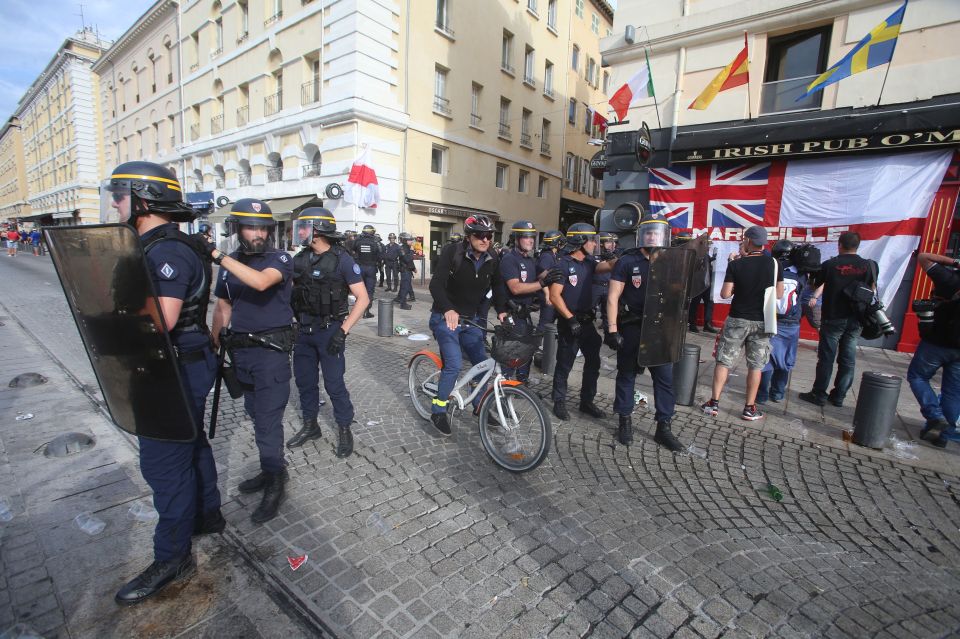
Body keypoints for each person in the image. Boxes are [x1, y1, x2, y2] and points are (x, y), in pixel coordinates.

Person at [106, 161, 222, 605]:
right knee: (192, 445)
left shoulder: (165, 250)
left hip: (172, 366)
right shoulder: (164, 242)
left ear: (142, 198)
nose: (115, 204)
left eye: (120, 196)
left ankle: (173, 556)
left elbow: (164, 318)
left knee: (164, 462)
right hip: (184, 361)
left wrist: (111, 321)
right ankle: (207, 515)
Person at [208, 199, 295, 525]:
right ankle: (268, 468)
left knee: (269, 421)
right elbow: (223, 306)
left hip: (270, 355)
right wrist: (215, 341)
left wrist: (218, 257)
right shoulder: (232, 265)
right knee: (256, 417)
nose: (258, 233)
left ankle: (276, 480)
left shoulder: (280, 258)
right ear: (237, 229)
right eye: (250, 226)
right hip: (241, 354)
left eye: (263, 227)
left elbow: (260, 282)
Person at [286, 209, 369, 457]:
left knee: (334, 385)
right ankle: (311, 426)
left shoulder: (342, 260)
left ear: (318, 230)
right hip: (303, 331)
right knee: (305, 382)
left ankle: (344, 427)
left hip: (329, 330)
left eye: (305, 227)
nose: (300, 232)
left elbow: (363, 299)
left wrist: (342, 332)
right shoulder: (300, 259)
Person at [605, 213, 684, 450]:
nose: (652, 236)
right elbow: (613, 297)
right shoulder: (627, 261)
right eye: (648, 232)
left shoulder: (671, 261)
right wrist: (612, 330)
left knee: (664, 380)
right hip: (632, 326)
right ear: (642, 235)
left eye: (656, 232)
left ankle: (664, 427)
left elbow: (680, 295)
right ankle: (624, 421)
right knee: (626, 375)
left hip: (660, 329)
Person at [427, 215, 507, 435]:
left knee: (482, 364)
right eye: (480, 235)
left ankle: (479, 406)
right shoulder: (453, 253)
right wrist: (447, 309)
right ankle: (438, 410)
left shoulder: (492, 257)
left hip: (470, 319)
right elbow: (436, 285)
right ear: (469, 236)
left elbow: (498, 285)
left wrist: (502, 310)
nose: (485, 240)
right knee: (453, 364)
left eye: (489, 236)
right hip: (445, 317)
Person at [701, 225, 783, 421]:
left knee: (724, 361)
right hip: (762, 320)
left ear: (748, 241)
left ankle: (714, 403)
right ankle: (749, 408)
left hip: (738, 318)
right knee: (755, 365)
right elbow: (779, 294)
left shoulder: (737, 264)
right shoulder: (774, 263)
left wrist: (740, 286)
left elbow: (725, 293)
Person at [799, 231, 876, 408]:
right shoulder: (870, 266)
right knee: (848, 359)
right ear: (858, 245)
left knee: (826, 357)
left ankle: (819, 394)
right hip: (856, 318)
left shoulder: (830, 264)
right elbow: (871, 289)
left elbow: (815, 284)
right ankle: (839, 395)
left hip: (833, 317)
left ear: (839, 245)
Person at [548, 223, 615, 421]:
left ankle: (587, 402)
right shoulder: (562, 264)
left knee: (593, 362)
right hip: (570, 322)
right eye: (592, 240)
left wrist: (614, 259)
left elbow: (607, 267)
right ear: (580, 242)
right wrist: (569, 319)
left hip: (586, 322)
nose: (595, 244)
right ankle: (559, 401)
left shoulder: (590, 262)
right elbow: (554, 295)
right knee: (564, 364)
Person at [499, 220, 563, 381]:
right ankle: (504, 384)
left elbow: (537, 277)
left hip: (525, 314)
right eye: (526, 237)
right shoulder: (509, 259)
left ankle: (521, 383)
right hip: (512, 314)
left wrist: (553, 272)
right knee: (512, 352)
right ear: (516, 238)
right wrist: (542, 283)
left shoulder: (530, 260)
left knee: (527, 350)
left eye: (532, 237)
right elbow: (516, 288)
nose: (531, 240)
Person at [909, 252, 960, 447]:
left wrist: (955, 262)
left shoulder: (949, 278)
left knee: (917, 376)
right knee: (953, 392)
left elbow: (924, 257)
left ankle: (935, 416)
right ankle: (942, 436)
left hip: (938, 340)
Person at [756, 240, 807, 404]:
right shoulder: (800, 273)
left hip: (770, 317)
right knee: (785, 359)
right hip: (791, 321)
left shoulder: (769, 269)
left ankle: (761, 395)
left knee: (766, 358)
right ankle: (777, 393)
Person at [537, 230, 565, 329]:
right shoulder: (547, 256)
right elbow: (541, 276)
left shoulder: (553, 255)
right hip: (547, 293)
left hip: (551, 292)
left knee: (550, 320)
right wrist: (547, 294)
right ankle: (537, 342)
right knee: (545, 321)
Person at [351, 224, 380, 319]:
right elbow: (380, 255)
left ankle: (358, 310)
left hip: (360, 268)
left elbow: (353, 250)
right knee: (369, 290)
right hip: (371, 268)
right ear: (372, 232)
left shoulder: (357, 241)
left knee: (360, 289)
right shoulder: (375, 242)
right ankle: (366, 311)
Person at [592, 231, 619, 331]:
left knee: (608, 313)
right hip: (595, 286)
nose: (613, 245)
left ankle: (609, 336)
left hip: (608, 286)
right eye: (609, 242)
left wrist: (612, 259)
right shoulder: (594, 255)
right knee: (588, 311)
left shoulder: (614, 255)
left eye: (613, 242)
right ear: (601, 244)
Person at [394, 232, 416, 310]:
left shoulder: (407, 248)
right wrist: (412, 252)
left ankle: (399, 299)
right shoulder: (402, 248)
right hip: (405, 270)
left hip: (408, 270)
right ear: (404, 240)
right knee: (405, 287)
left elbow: (410, 261)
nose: (411, 241)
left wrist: (413, 268)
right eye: (409, 240)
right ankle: (403, 304)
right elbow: (407, 259)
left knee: (404, 286)